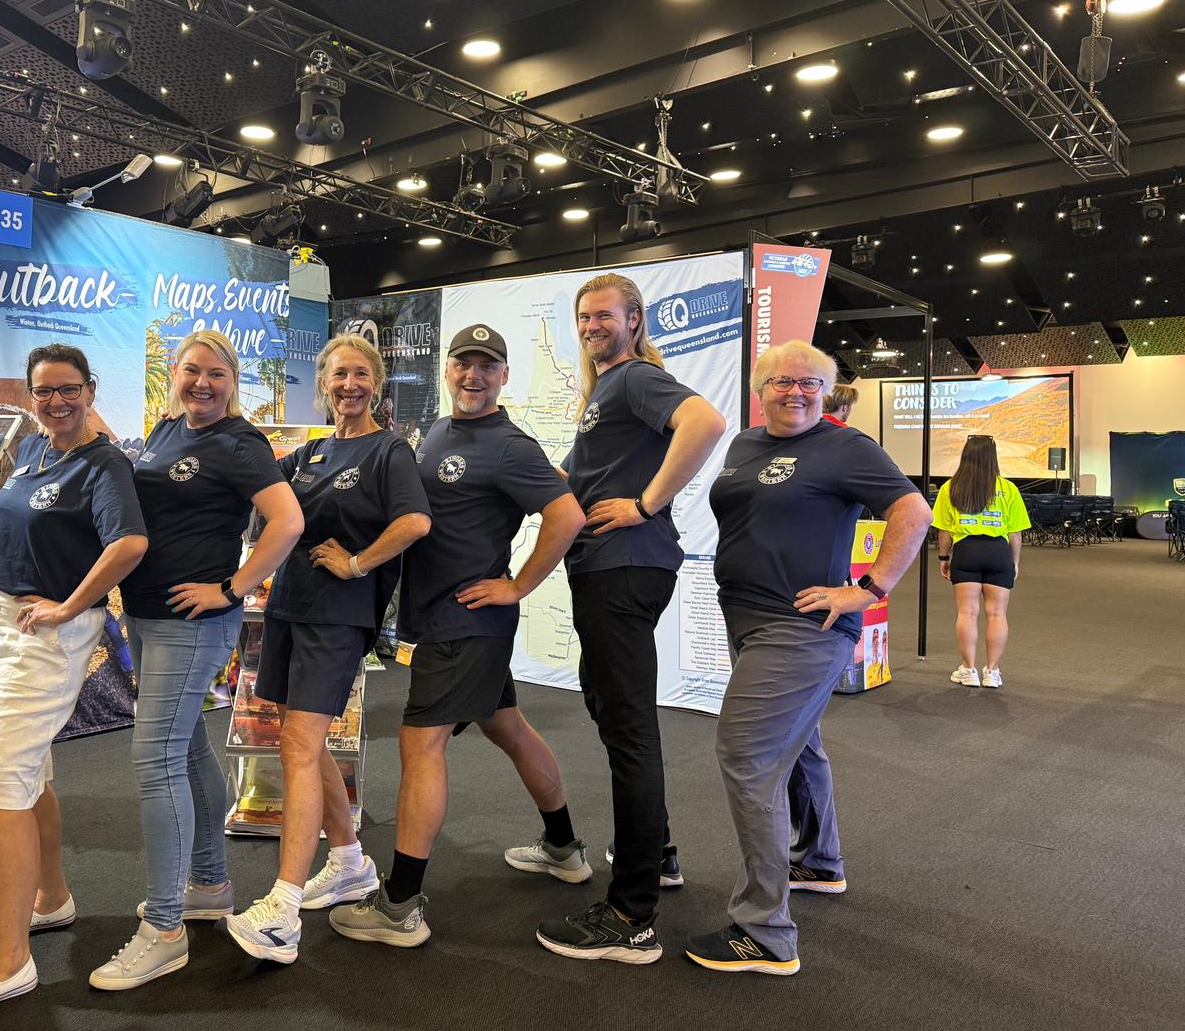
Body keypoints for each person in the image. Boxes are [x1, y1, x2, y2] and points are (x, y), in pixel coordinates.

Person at [328, 324, 586, 947]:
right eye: (463, 364)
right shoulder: (441, 432)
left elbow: (567, 514)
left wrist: (518, 584)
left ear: (502, 376)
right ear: (448, 369)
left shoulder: (509, 446)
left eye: (486, 366)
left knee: (420, 747)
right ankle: (563, 848)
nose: (472, 376)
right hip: (452, 620)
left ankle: (400, 907)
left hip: (465, 621)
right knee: (509, 727)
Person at [688, 340, 931, 977]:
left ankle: (764, 932)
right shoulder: (743, 445)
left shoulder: (844, 447)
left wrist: (869, 588)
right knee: (801, 746)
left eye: (810, 384)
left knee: (748, 757)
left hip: (800, 629)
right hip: (748, 622)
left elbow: (914, 509)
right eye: (782, 382)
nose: (796, 393)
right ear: (760, 387)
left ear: (825, 393)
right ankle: (818, 864)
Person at [0, 344, 149, 1015]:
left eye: (69, 389)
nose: (56, 401)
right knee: (29, 776)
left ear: (90, 389)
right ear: (31, 395)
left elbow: (129, 544)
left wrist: (72, 604)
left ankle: (9, 963)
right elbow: (27, 527)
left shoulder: (102, 464)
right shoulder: (35, 451)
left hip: (38, 638)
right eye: (44, 391)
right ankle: (50, 898)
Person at [88, 330, 303, 990]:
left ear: (232, 379)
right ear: (175, 376)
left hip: (196, 620)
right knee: (185, 753)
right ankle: (208, 883)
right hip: (149, 612)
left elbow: (287, 522)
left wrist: (232, 586)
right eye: (191, 372)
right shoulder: (164, 431)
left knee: (153, 760)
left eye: (216, 374)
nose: (202, 383)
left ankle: (165, 928)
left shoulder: (240, 444)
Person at [537, 273, 728, 965]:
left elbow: (706, 422)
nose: (591, 327)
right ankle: (661, 854)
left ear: (635, 319)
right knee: (615, 711)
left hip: (623, 566)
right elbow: (569, 482)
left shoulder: (630, 379)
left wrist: (645, 504)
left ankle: (631, 913)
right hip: (610, 570)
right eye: (584, 317)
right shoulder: (607, 395)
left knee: (629, 729)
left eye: (603, 316)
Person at [225, 334, 432, 964]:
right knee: (298, 737)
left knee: (299, 744)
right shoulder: (310, 452)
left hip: (338, 617)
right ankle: (348, 863)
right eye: (340, 374)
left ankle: (283, 909)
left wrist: (360, 563)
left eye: (362, 375)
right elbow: (269, 508)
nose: (350, 385)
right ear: (323, 383)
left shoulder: (388, 449)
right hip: (291, 606)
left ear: (377, 384)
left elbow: (416, 521)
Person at [935, 434, 1028, 689]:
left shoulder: (950, 487)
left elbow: (944, 531)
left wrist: (944, 557)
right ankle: (992, 672)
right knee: (997, 614)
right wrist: (1014, 561)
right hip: (998, 552)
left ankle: (968, 670)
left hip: (966, 551)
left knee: (967, 612)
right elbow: (1015, 533)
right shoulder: (1008, 489)